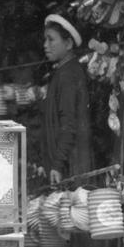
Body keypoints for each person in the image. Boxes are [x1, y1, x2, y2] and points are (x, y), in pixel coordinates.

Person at [41, 12, 92, 185]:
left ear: (68, 43)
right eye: (45, 40)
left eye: (51, 39)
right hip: (67, 162)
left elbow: (69, 123)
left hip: (71, 164)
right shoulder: (63, 71)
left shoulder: (68, 75)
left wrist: (57, 164)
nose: (45, 45)